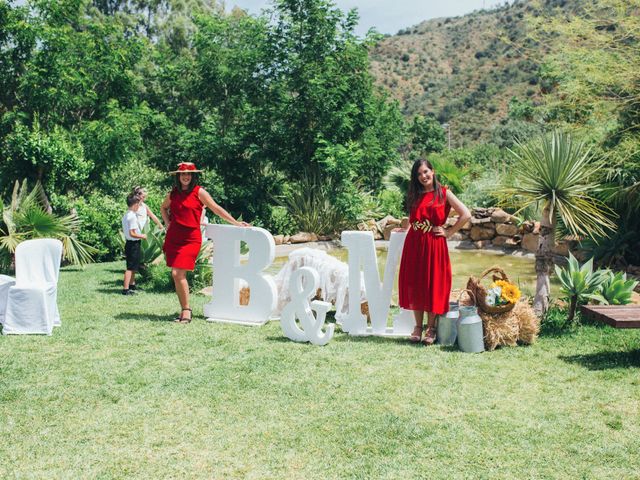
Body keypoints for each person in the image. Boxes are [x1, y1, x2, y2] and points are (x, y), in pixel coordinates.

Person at [161, 162, 249, 323]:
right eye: (182, 174)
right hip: (174, 238)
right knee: (177, 275)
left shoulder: (199, 192)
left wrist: (235, 223)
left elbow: (216, 208)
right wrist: (168, 224)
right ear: (178, 177)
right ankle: (184, 310)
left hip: (190, 239)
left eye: (189, 174)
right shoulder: (173, 193)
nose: (186, 177)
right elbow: (163, 208)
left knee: (177, 273)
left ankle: (186, 310)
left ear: (193, 176)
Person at [396, 158, 471, 345]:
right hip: (414, 243)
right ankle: (417, 327)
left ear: (433, 171)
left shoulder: (444, 193)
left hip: (434, 244)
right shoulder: (414, 194)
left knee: (433, 284)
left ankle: (431, 328)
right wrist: (404, 228)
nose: (423, 176)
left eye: (425, 172)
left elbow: (466, 214)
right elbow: (413, 218)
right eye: (419, 174)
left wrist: (449, 232)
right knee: (416, 283)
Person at [122, 194, 147, 296]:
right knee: (130, 267)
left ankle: (132, 286)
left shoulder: (126, 215)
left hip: (130, 243)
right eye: (139, 204)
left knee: (133, 266)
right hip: (133, 244)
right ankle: (125, 289)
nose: (139, 206)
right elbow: (132, 233)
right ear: (135, 204)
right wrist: (142, 236)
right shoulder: (132, 217)